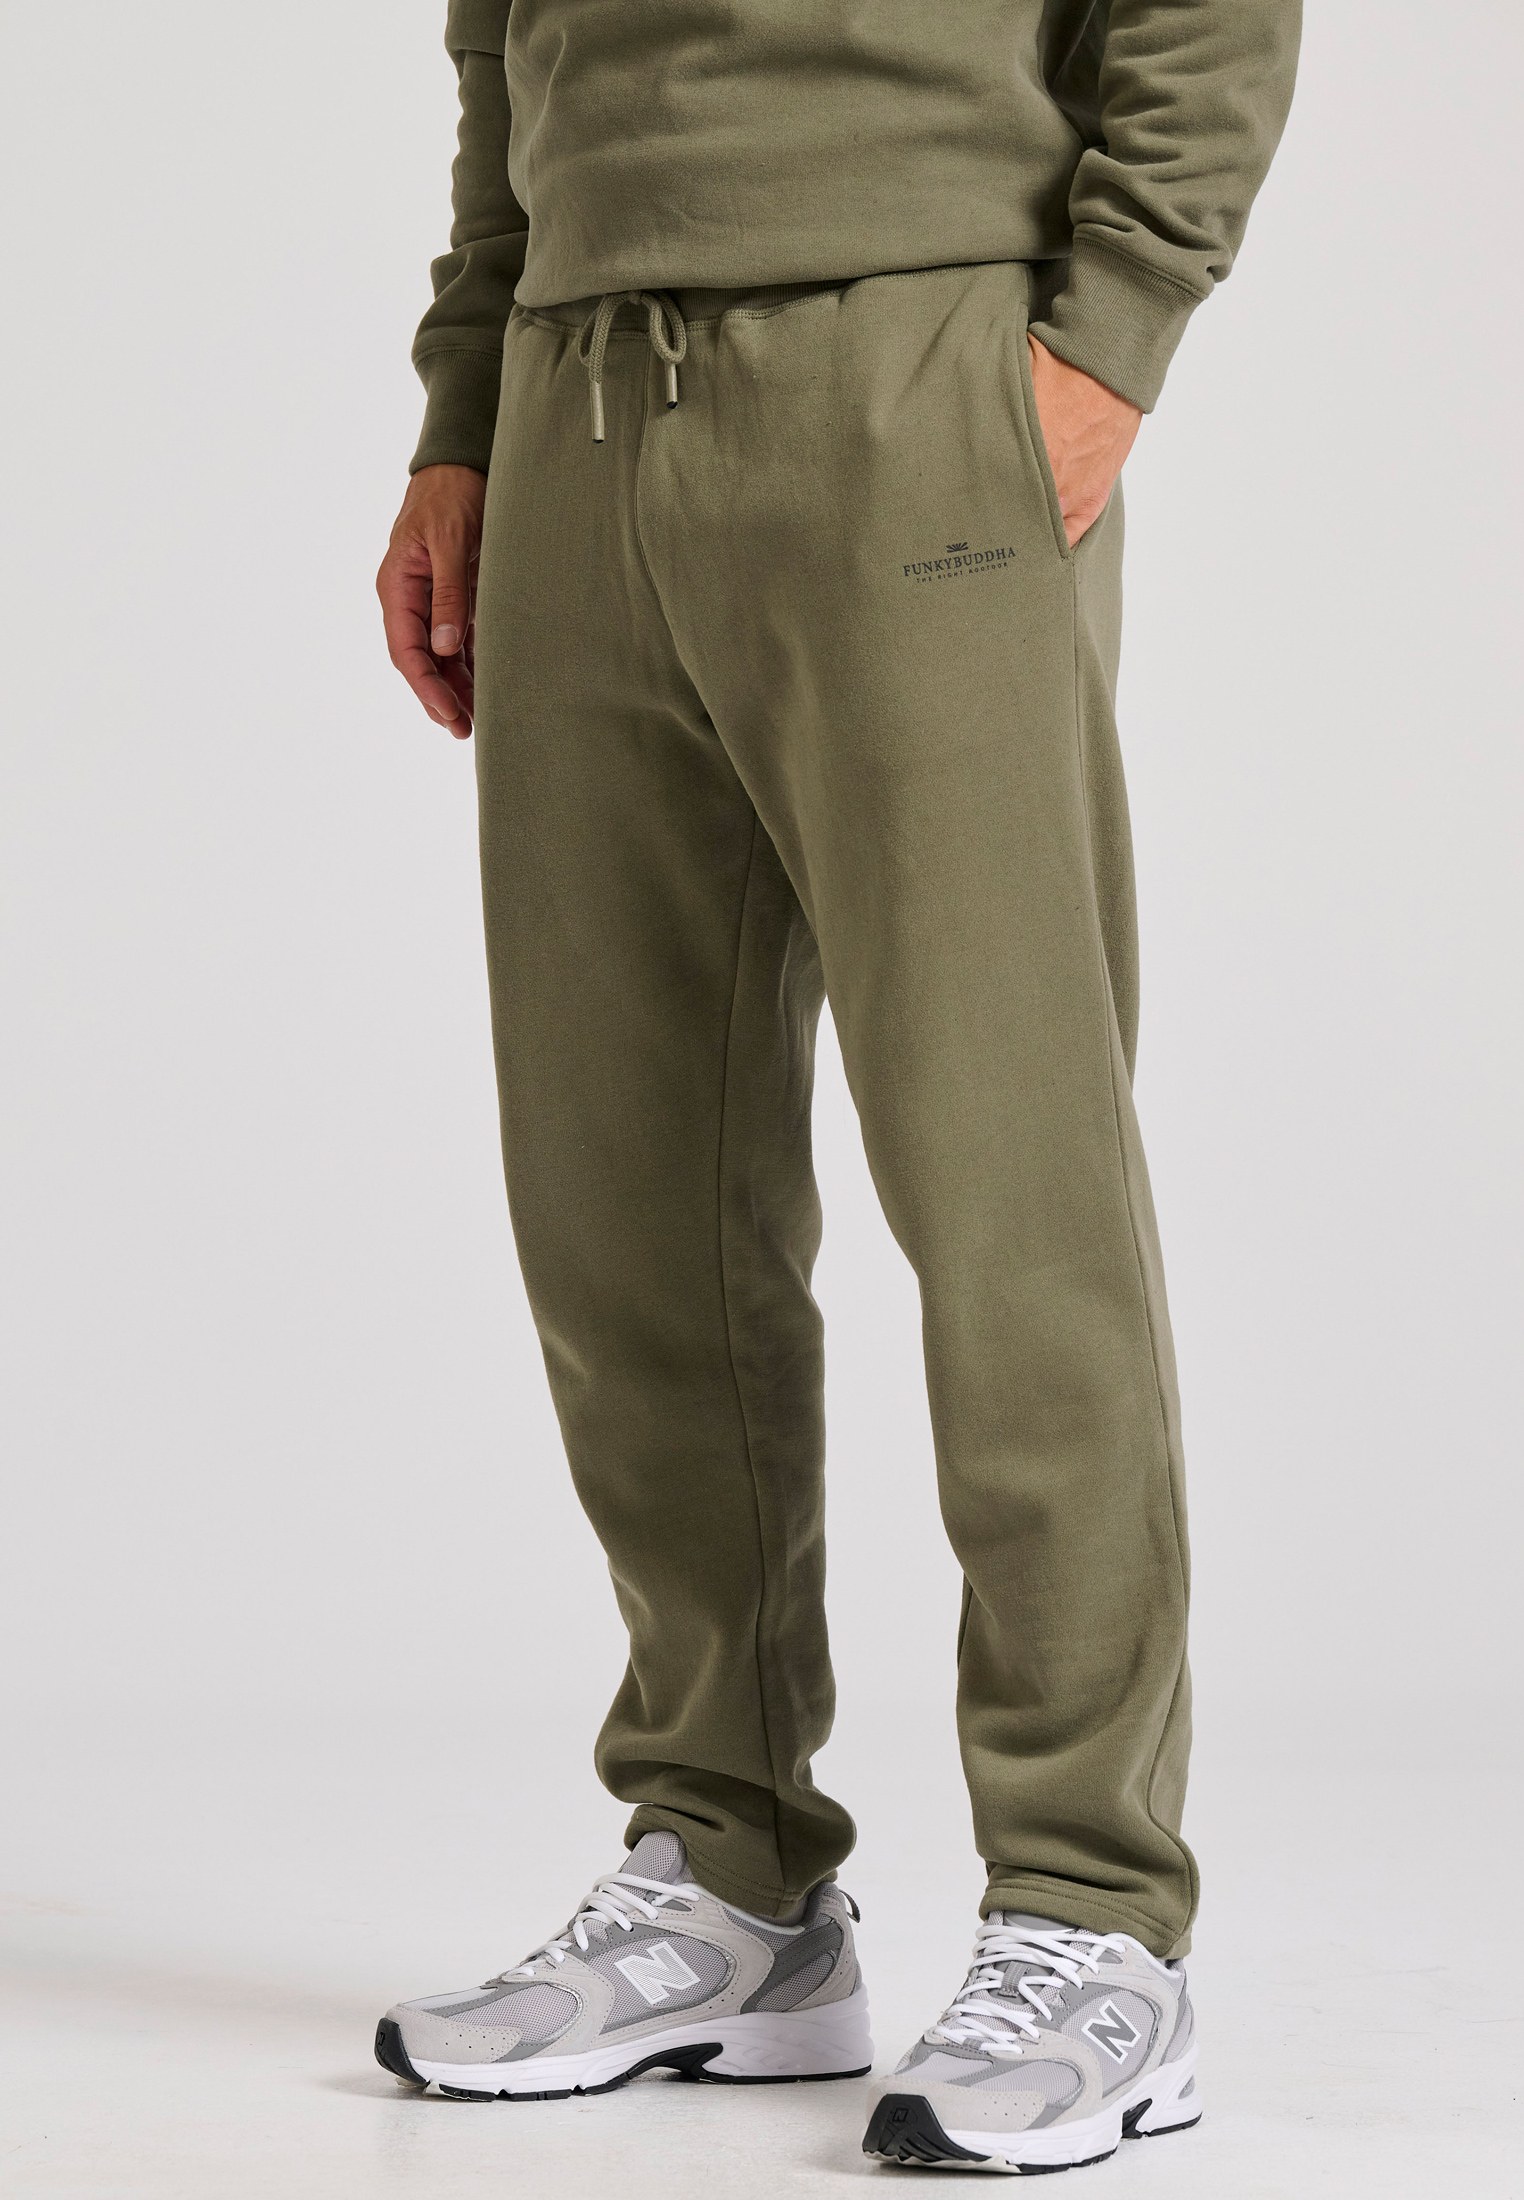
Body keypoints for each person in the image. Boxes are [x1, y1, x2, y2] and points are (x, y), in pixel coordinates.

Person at [372, 0, 1300, 2171]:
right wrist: (464, 407)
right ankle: (730, 1874)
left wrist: (1107, 336)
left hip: (914, 369)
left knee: (1006, 1185)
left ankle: (1094, 1904)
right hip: (576, 392)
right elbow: (503, 49)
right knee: (623, 1198)